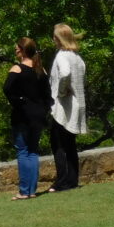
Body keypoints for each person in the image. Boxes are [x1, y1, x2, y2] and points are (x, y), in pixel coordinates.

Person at [3, 37, 51, 200]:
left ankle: (24, 191)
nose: (15, 50)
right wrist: (43, 109)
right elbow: (48, 95)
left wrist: (19, 101)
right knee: (33, 151)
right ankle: (31, 190)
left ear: (23, 50)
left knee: (23, 151)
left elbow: (7, 89)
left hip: (23, 115)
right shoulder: (41, 70)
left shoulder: (17, 69)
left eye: (17, 48)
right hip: (38, 116)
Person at [48, 23, 87, 192]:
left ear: (58, 38)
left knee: (58, 144)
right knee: (70, 144)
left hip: (63, 106)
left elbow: (64, 73)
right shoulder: (77, 57)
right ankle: (72, 179)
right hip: (77, 104)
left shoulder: (62, 56)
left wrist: (61, 91)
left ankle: (62, 181)